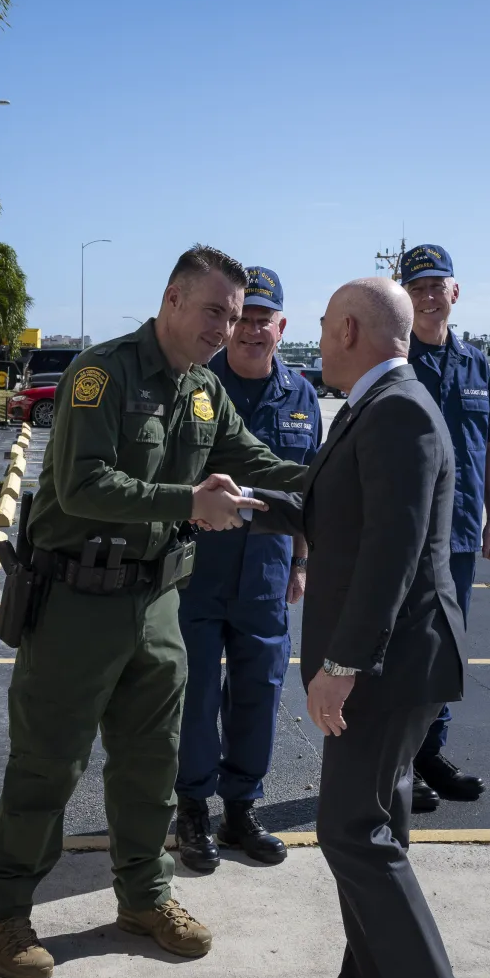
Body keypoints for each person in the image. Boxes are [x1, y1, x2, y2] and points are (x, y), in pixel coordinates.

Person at [0, 245, 309, 978]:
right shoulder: (103, 373)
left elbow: (254, 460)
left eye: (238, 314)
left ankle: (144, 898)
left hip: (157, 604)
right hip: (75, 606)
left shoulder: (201, 391)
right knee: (49, 765)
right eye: (215, 310)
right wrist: (190, 503)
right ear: (172, 300)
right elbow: (84, 483)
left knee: (152, 764)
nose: (226, 326)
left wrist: (335, 481)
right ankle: (0, 910)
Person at [244, 277, 481, 978]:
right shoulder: (379, 408)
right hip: (393, 660)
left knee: (352, 831)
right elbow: (330, 509)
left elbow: (393, 552)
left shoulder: (403, 410)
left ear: (349, 328)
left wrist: (342, 668)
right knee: (375, 823)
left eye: (321, 325)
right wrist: (244, 504)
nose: (316, 337)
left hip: (388, 665)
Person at [175, 267, 322, 872]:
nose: (253, 329)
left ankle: (240, 809)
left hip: (267, 571)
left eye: (266, 318)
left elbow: (309, 488)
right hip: (199, 570)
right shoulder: (197, 387)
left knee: (259, 693)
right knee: (196, 691)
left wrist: (303, 563)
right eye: (245, 317)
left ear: (281, 326)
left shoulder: (303, 396)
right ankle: (190, 810)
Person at [400, 244, 490, 812]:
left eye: (437, 285)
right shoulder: (395, 359)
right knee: (403, 647)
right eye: (417, 288)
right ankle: (398, 759)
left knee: (448, 649)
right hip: (408, 533)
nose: (428, 296)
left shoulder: (475, 362)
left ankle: (429, 755)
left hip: (461, 533)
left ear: (455, 292)